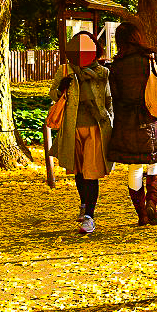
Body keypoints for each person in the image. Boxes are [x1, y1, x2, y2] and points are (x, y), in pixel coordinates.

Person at [107, 22, 157, 227]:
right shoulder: (152, 58)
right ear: (138, 37)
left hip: (126, 120)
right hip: (151, 117)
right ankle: (152, 202)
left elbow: (114, 97)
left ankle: (142, 213)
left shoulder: (116, 65)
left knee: (134, 168)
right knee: (155, 163)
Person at [49, 32, 113, 236]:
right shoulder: (65, 70)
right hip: (72, 127)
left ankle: (89, 216)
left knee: (91, 173)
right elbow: (53, 94)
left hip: (96, 128)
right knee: (78, 170)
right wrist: (62, 87)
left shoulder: (103, 72)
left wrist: (109, 119)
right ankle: (84, 204)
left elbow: (109, 98)